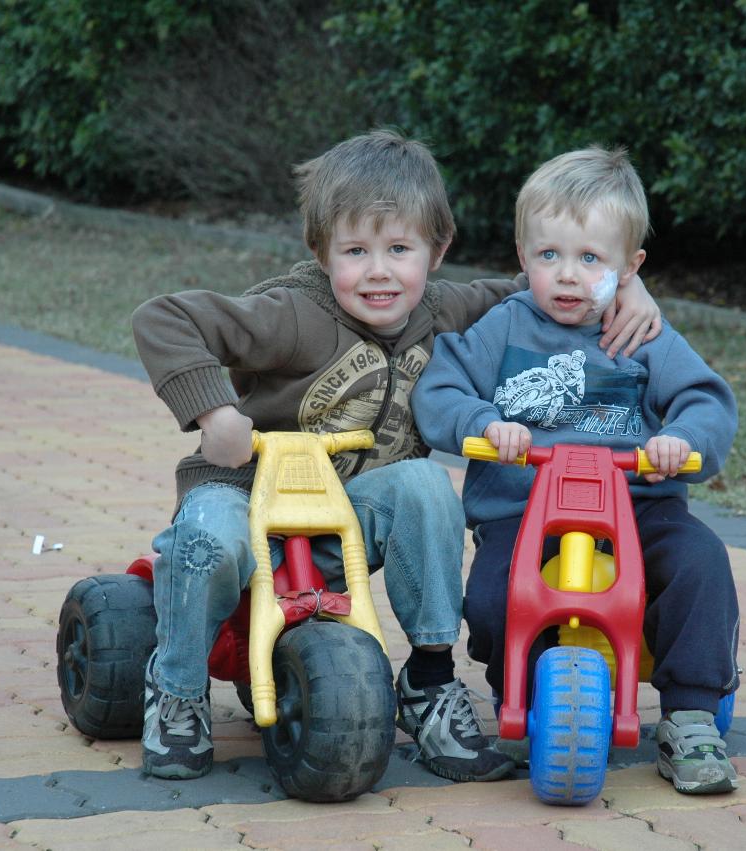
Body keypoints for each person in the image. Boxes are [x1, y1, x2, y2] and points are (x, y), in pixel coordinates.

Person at [129, 129, 664, 783]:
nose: (379, 271)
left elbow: (554, 284)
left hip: (346, 515)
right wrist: (216, 413)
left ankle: (430, 681)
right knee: (208, 534)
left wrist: (626, 292)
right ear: (321, 250)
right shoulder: (291, 314)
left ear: (437, 251)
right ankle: (177, 689)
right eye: (355, 250)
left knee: (425, 483)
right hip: (246, 497)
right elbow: (163, 317)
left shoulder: (447, 311)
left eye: (399, 249)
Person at [411, 146, 741, 794]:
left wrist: (679, 437)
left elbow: (706, 398)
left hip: (638, 507)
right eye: (549, 256)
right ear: (521, 255)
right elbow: (440, 386)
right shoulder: (502, 328)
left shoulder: (639, 333)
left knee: (700, 560)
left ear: (630, 267)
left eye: (590, 259)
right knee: (492, 595)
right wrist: (483, 424)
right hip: (524, 508)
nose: (567, 275)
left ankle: (692, 715)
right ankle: (521, 692)